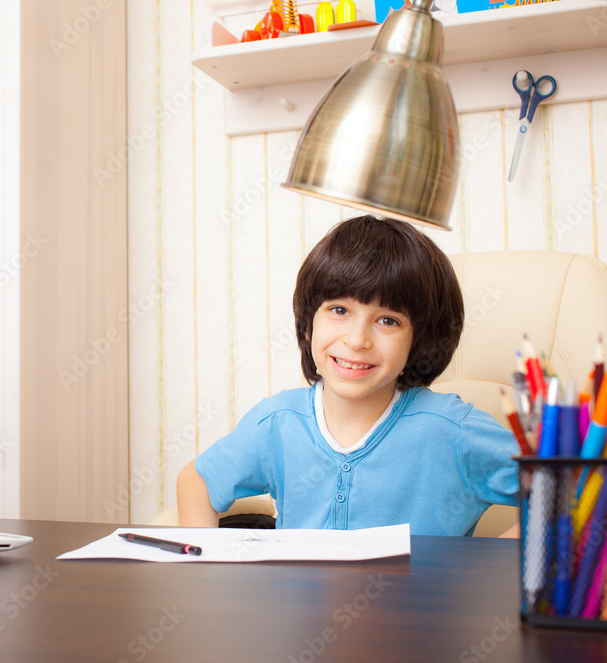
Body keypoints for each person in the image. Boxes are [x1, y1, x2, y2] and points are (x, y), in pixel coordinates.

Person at [177, 215, 519, 535]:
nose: (357, 340)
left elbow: (566, 490)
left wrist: (497, 566)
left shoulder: (451, 431)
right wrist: (206, 566)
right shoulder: (278, 422)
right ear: (309, 323)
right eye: (339, 310)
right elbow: (197, 481)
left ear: (419, 340)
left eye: (388, 320)